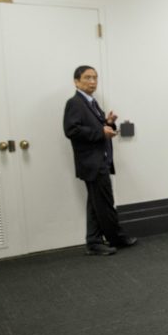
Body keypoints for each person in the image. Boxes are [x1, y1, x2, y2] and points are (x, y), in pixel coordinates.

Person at [63, 65, 137, 256]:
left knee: (96, 204)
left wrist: (108, 123)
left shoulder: (90, 102)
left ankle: (94, 241)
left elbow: (95, 128)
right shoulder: (75, 103)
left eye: (95, 77)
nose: (92, 81)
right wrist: (101, 131)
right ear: (76, 81)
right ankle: (116, 237)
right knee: (104, 203)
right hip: (92, 163)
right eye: (87, 78)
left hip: (98, 161)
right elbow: (71, 130)